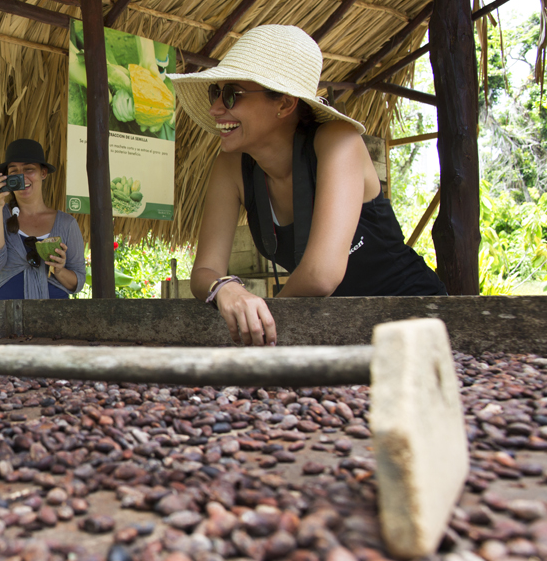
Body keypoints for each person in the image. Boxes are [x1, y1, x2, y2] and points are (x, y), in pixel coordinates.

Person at [165, 25, 445, 346]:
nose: (216, 108)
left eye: (231, 94)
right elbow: (204, 270)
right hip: (337, 330)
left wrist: (261, 316)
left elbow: (320, 275)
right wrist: (226, 289)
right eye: (216, 92)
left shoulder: (339, 141)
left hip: (414, 318)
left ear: (284, 104)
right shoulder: (231, 166)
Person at [0, 139, 86, 299]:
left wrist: (59, 270)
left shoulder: (66, 224)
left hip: (55, 318)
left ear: (43, 173)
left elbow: (77, 284)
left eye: (29, 169)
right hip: (5, 316)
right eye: (14, 171)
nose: (22, 177)